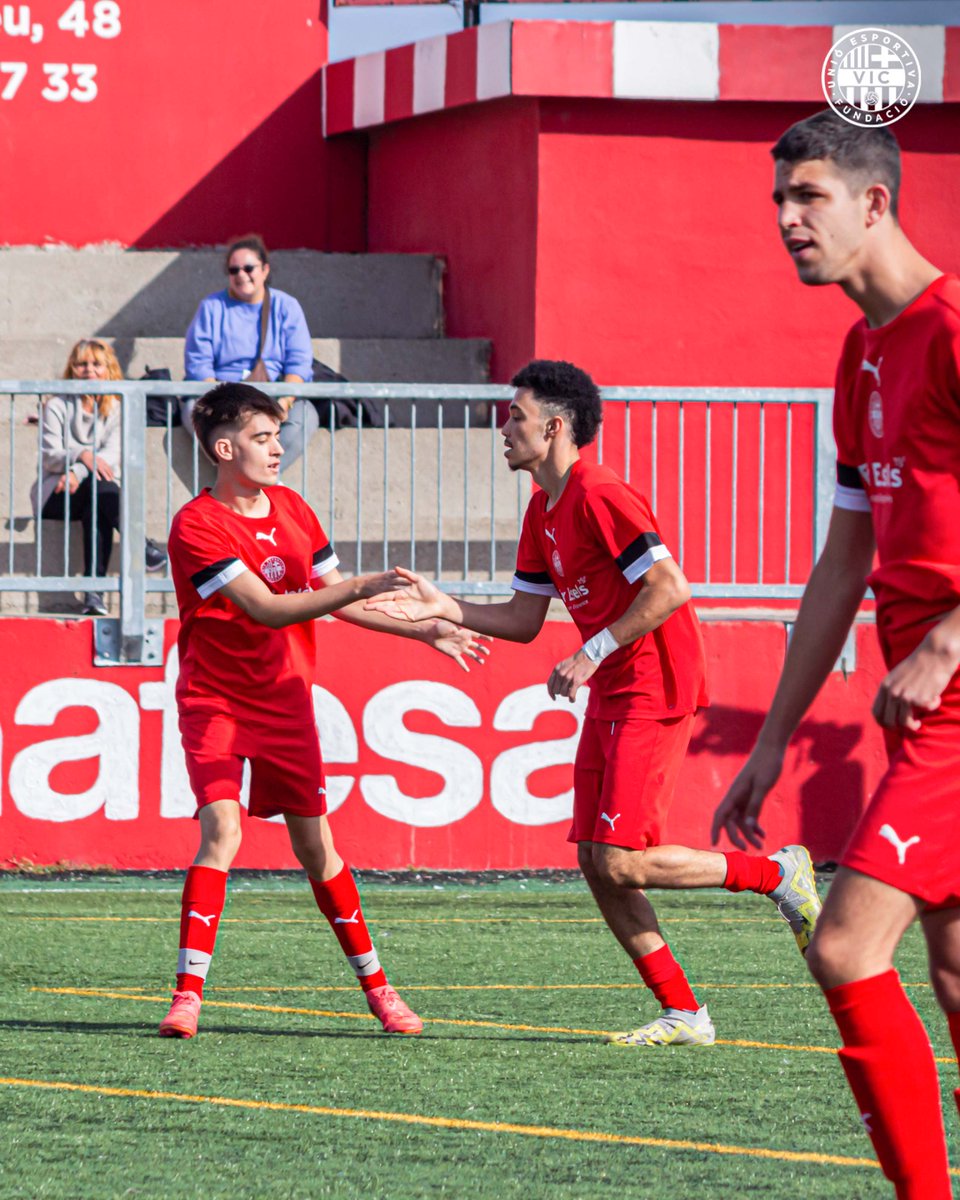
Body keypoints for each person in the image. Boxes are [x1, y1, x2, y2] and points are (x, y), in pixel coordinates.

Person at [366, 359, 820, 1046]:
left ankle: (777, 873)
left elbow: (670, 586)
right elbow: (522, 619)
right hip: (614, 685)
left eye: (514, 416)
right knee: (594, 859)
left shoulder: (600, 492)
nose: (503, 428)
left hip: (653, 682)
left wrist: (590, 651)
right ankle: (686, 1014)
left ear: (552, 427)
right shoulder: (542, 509)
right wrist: (446, 606)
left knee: (622, 860)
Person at [711, 111, 960, 1199]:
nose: (785, 222)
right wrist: (769, 741)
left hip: (955, 682)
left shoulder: (952, 328)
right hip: (921, 685)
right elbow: (841, 561)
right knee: (952, 972)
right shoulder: (860, 352)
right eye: (778, 201)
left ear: (875, 202)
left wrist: (950, 639)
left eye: (806, 197)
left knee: (846, 950)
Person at [158, 381, 488, 1040]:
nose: (277, 449)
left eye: (278, 436)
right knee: (222, 831)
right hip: (215, 699)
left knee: (317, 850)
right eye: (262, 438)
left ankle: (380, 990)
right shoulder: (197, 525)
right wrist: (356, 586)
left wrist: (426, 630)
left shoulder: (294, 509)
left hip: (284, 699)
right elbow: (269, 607)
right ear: (223, 448)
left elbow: (337, 599)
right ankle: (188, 996)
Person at [32, 338, 167, 616]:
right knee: (101, 489)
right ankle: (141, 547)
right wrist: (83, 455)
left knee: (99, 499)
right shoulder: (57, 404)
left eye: (96, 364)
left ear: (109, 369)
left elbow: (111, 457)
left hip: (91, 488)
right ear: (72, 368)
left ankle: (94, 596)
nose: (89, 370)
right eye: (82, 364)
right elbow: (50, 455)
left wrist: (79, 467)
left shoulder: (117, 407)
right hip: (56, 493)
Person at [183, 234, 319, 474]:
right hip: (222, 392)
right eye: (234, 270)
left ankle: (253, 478)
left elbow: (299, 363)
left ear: (265, 270)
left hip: (272, 394)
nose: (241, 275)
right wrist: (222, 404)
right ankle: (243, 477)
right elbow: (198, 364)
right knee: (193, 410)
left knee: (304, 416)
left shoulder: (286, 306)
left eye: (248, 268)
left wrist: (284, 402)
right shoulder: (211, 307)